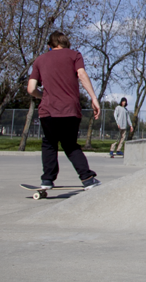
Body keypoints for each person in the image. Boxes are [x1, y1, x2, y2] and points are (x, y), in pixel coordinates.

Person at [27, 31, 102, 189]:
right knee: (70, 144)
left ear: (50, 45)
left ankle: (47, 180)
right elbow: (81, 74)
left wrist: (43, 96)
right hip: (70, 109)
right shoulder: (74, 55)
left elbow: (31, 89)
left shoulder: (40, 60)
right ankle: (87, 178)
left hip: (48, 110)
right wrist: (93, 98)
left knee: (49, 143)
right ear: (66, 44)